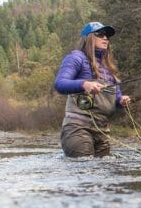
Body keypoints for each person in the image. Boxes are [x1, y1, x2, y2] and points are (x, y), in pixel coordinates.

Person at [54, 21, 132, 157]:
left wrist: (122, 101)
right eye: (100, 34)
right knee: (86, 171)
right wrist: (84, 84)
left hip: (102, 131)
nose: (105, 38)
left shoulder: (109, 68)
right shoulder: (76, 57)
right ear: (88, 38)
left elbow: (117, 97)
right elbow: (60, 84)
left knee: (102, 174)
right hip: (77, 128)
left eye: (107, 35)